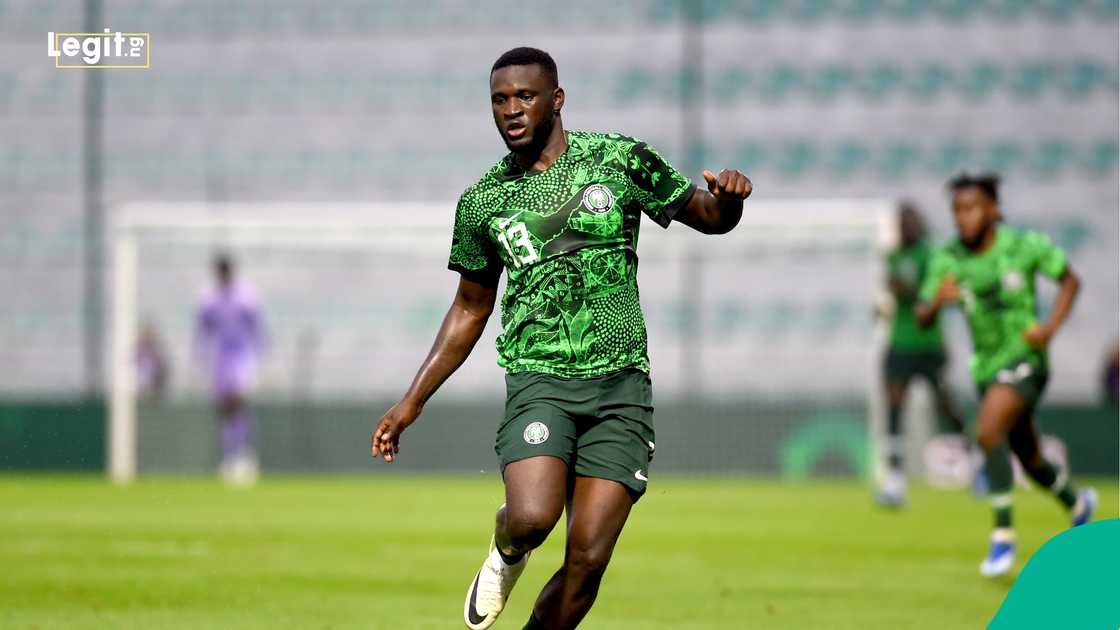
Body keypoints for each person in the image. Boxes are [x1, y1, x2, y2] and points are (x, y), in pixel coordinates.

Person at [369, 47, 752, 630]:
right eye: (499, 99)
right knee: (532, 517)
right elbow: (471, 308)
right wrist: (410, 402)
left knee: (588, 561)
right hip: (540, 379)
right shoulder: (483, 202)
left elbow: (707, 216)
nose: (511, 109)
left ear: (557, 100)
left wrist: (728, 203)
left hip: (621, 387)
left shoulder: (619, 160)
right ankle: (506, 549)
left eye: (524, 96)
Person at [916, 173, 1096, 578]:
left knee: (988, 431)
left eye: (971, 207)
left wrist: (1049, 330)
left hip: (1027, 358)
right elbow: (922, 316)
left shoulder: (1023, 245)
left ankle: (1002, 538)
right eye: (957, 210)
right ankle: (1077, 503)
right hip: (987, 367)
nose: (963, 217)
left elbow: (1070, 280)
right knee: (1029, 457)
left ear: (994, 210)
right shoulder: (949, 258)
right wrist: (935, 305)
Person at [878, 201, 969, 507]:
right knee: (894, 408)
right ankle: (894, 480)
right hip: (899, 343)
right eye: (900, 221)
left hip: (929, 344)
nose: (904, 226)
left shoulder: (932, 255)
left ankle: (979, 460)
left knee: (946, 406)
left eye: (909, 220)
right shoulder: (891, 256)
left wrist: (904, 290)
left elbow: (938, 295)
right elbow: (892, 296)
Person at [194, 253, 266, 485]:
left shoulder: (246, 296)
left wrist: (264, 356)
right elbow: (203, 329)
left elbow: (257, 327)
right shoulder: (210, 299)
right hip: (221, 357)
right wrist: (200, 358)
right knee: (226, 410)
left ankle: (244, 456)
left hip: (241, 356)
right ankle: (231, 456)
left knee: (238, 402)